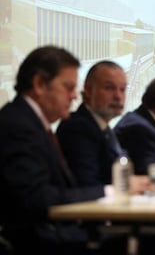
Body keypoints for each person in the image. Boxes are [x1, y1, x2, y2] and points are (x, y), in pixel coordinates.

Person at [0, 46, 137, 255]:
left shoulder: (32, 123)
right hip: (41, 242)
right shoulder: (19, 125)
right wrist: (110, 190)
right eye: (68, 87)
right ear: (39, 84)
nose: (75, 96)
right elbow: (36, 198)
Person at [56, 61, 152, 192]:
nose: (118, 96)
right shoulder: (77, 128)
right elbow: (88, 185)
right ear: (89, 90)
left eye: (122, 89)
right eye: (109, 88)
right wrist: (127, 186)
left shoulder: (103, 127)